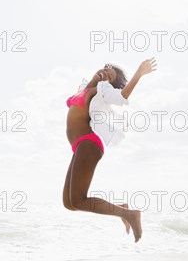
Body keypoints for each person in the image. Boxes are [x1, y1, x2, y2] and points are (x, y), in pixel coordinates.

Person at [63, 58, 157, 242]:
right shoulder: (86, 88)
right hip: (78, 147)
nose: (106, 71)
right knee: (70, 203)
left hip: (88, 144)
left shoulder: (104, 92)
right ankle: (122, 209)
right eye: (106, 68)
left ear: (110, 83)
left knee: (78, 199)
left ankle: (130, 214)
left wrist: (138, 73)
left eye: (110, 74)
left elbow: (122, 96)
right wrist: (92, 80)